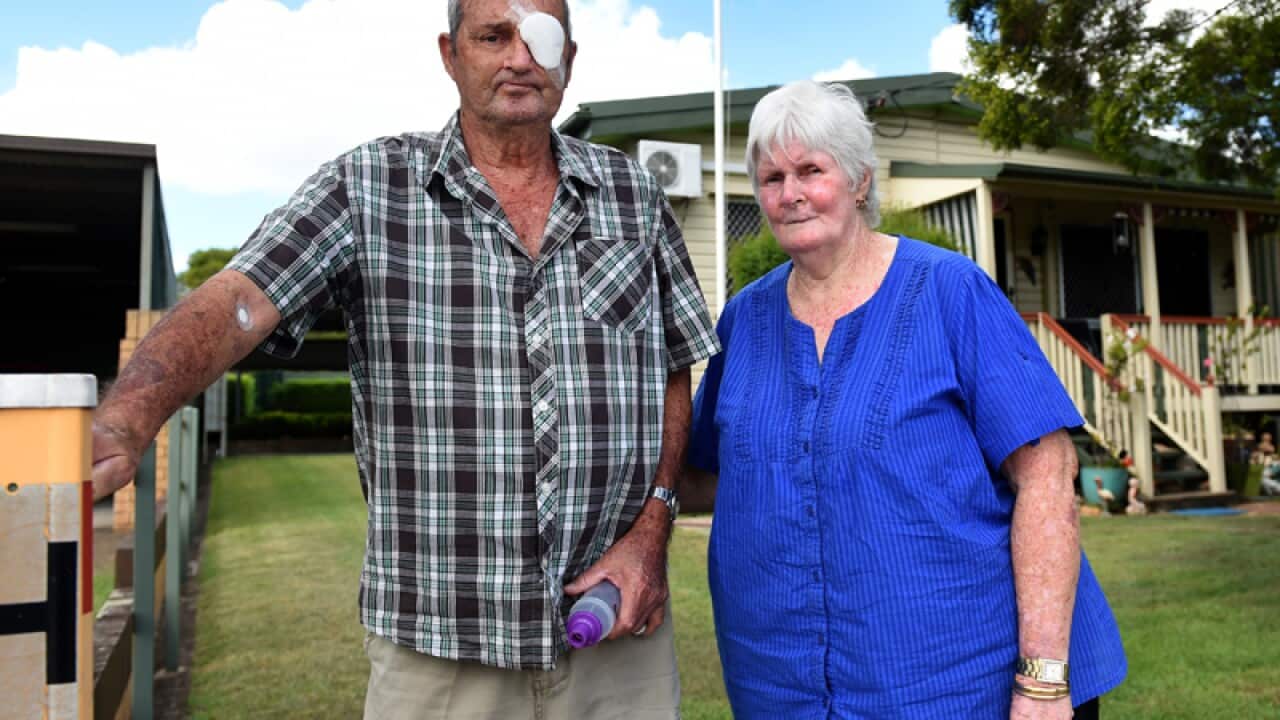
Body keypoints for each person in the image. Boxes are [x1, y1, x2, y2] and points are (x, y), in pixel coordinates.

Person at [90, 0, 719, 717]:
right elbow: (239, 301)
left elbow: (673, 363)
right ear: (451, 55)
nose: (519, 57)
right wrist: (129, 412)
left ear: (567, 62)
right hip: (440, 656)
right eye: (493, 36)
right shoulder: (367, 187)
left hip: (617, 637)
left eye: (541, 39)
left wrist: (653, 527)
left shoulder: (633, 195)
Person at [686, 81, 1126, 719]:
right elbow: (707, 476)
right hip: (786, 688)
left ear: (861, 181)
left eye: (812, 170)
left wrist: (1041, 682)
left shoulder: (951, 292)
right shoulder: (744, 321)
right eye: (772, 176)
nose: (790, 194)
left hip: (964, 684)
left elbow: (1049, 475)